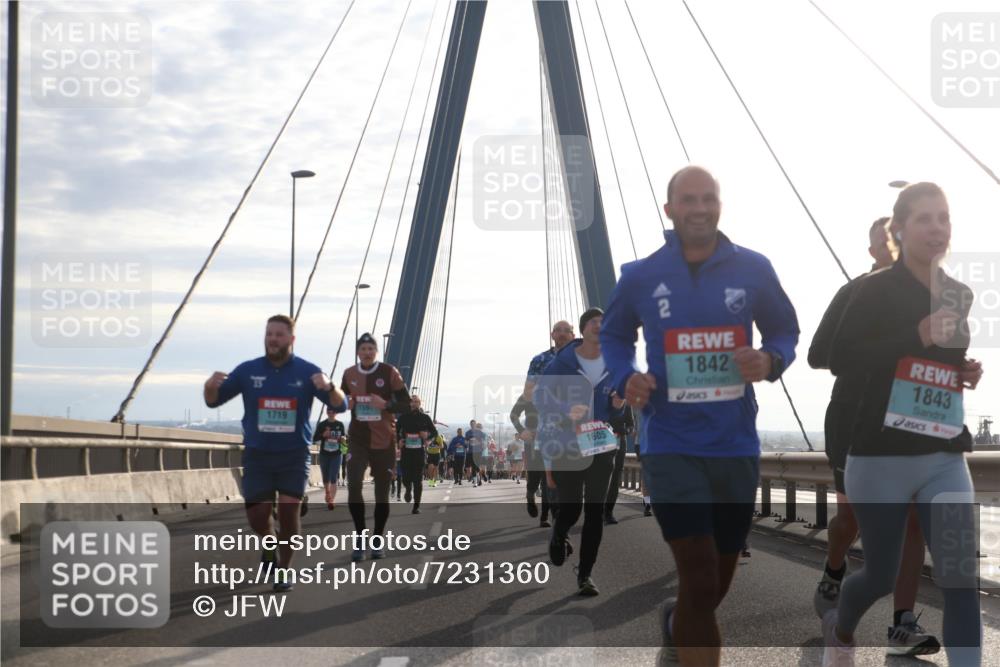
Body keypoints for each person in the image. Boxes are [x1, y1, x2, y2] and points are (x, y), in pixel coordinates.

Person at [601, 166, 799, 666]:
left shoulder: (754, 268)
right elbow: (615, 335)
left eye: (708, 198)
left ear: (720, 205)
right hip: (669, 444)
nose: (699, 208)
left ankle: (675, 624)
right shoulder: (640, 275)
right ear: (670, 210)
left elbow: (784, 330)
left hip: (734, 446)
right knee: (699, 574)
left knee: (714, 583)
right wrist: (626, 374)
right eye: (688, 200)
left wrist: (771, 359)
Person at [822, 182, 983, 667]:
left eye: (944, 217)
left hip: (942, 453)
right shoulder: (869, 290)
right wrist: (913, 333)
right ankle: (841, 629)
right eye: (924, 219)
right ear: (900, 229)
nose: (937, 228)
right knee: (881, 576)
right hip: (879, 455)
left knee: (959, 579)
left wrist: (963, 371)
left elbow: (935, 361)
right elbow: (838, 357)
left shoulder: (958, 293)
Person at [809, 217, 941, 656]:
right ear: (873, 252)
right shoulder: (855, 292)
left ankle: (902, 624)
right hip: (853, 418)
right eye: (885, 241)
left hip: (908, 418)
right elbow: (819, 355)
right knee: (852, 521)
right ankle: (834, 571)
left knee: (913, 520)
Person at [204, 314, 348, 592]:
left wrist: (331, 387)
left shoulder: (307, 371)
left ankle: (284, 569)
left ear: (291, 339)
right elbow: (213, 402)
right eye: (269, 334)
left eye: (279, 335)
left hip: (294, 455)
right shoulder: (248, 370)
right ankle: (270, 542)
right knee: (258, 517)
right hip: (258, 455)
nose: (272, 339)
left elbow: (340, 406)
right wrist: (209, 387)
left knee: (288, 510)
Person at [537, 308, 623, 597]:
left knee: (595, 512)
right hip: (567, 444)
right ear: (583, 330)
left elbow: (614, 402)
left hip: (600, 444)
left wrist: (618, 403)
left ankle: (585, 574)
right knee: (572, 509)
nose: (601, 326)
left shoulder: (614, 361)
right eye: (594, 322)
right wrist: (566, 410)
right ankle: (558, 535)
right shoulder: (562, 362)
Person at [340, 333, 411, 561]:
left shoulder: (389, 372)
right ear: (358, 352)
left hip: (384, 440)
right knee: (353, 488)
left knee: (382, 494)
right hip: (358, 439)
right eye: (363, 349)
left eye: (371, 348)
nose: (367, 352)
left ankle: (377, 539)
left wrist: (387, 404)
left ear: (376, 351)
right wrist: (344, 402)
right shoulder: (349, 374)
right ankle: (360, 538)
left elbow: (407, 404)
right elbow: (340, 400)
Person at [511, 321, 576, 526]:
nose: (564, 334)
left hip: (564, 429)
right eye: (559, 330)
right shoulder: (540, 360)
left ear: (574, 336)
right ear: (552, 334)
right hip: (537, 432)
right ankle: (531, 495)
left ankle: (548, 516)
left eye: (568, 331)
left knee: (555, 477)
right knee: (536, 476)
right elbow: (518, 408)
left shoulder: (579, 359)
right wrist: (523, 431)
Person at [396, 395, 437, 514]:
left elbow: (434, 432)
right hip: (406, 452)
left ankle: (416, 506)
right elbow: (395, 431)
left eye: (416, 402)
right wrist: (399, 440)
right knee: (406, 478)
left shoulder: (425, 418)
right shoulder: (403, 417)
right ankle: (408, 489)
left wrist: (428, 439)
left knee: (418, 480)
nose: (413, 404)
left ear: (419, 403)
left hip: (419, 452)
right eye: (411, 402)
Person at [603, 401, 634, 525]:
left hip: (619, 441)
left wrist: (624, 430)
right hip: (601, 440)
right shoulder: (601, 397)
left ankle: (608, 512)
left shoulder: (625, 401)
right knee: (602, 476)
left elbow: (631, 425)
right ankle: (597, 510)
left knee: (616, 477)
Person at [314, 408, 346, 510]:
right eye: (329, 411)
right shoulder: (322, 424)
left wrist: (343, 439)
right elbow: (314, 438)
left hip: (336, 454)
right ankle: (327, 493)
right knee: (326, 477)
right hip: (324, 454)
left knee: (333, 477)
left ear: (336, 413)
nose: (331, 413)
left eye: (333, 412)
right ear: (327, 412)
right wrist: (323, 435)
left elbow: (344, 438)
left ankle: (331, 500)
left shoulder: (340, 424)